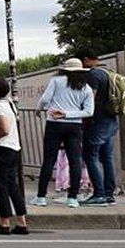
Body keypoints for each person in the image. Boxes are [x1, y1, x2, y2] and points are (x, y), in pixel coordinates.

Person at [32, 58, 95, 208]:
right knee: (75, 161)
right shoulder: (86, 88)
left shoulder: (57, 81)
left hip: (54, 123)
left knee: (48, 160)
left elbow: (45, 99)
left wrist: (39, 109)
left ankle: (41, 196)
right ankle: (72, 197)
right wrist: (68, 114)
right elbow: (89, 111)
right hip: (74, 126)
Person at [0, 76, 28, 235]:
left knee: (1, 187)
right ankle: (22, 221)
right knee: (12, 186)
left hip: (1, 149)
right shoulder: (10, 104)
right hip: (13, 148)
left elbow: (3, 130)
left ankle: (5, 223)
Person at [79, 48, 119, 206]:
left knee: (91, 156)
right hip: (111, 120)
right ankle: (109, 194)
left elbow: (90, 98)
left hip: (97, 122)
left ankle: (99, 194)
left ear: (86, 59)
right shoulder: (108, 72)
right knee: (107, 158)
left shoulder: (93, 75)